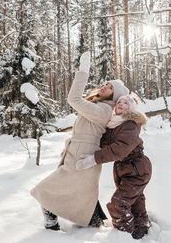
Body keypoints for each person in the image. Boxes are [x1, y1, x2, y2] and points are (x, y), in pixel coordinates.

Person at [30, 51, 129, 230]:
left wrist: (83, 71)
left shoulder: (105, 110)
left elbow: (73, 99)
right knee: (79, 196)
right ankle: (61, 216)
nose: (105, 87)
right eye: (106, 84)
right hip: (78, 154)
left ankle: (52, 220)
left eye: (110, 87)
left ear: (114, 97)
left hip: (84, 157)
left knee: (57, 191)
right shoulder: (99, 106)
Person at [76, 95, 152, 239]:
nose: (121, 104)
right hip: (124, 169)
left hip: (137, 168)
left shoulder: (131, 124)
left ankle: (124, 236)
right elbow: (103, 143)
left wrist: (93, 159)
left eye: (126, 103)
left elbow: (120, 149)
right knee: (135, 201)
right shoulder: (113, 124)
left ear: (131, 108)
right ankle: (142, 228)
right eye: (119, 102)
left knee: (118, 204)